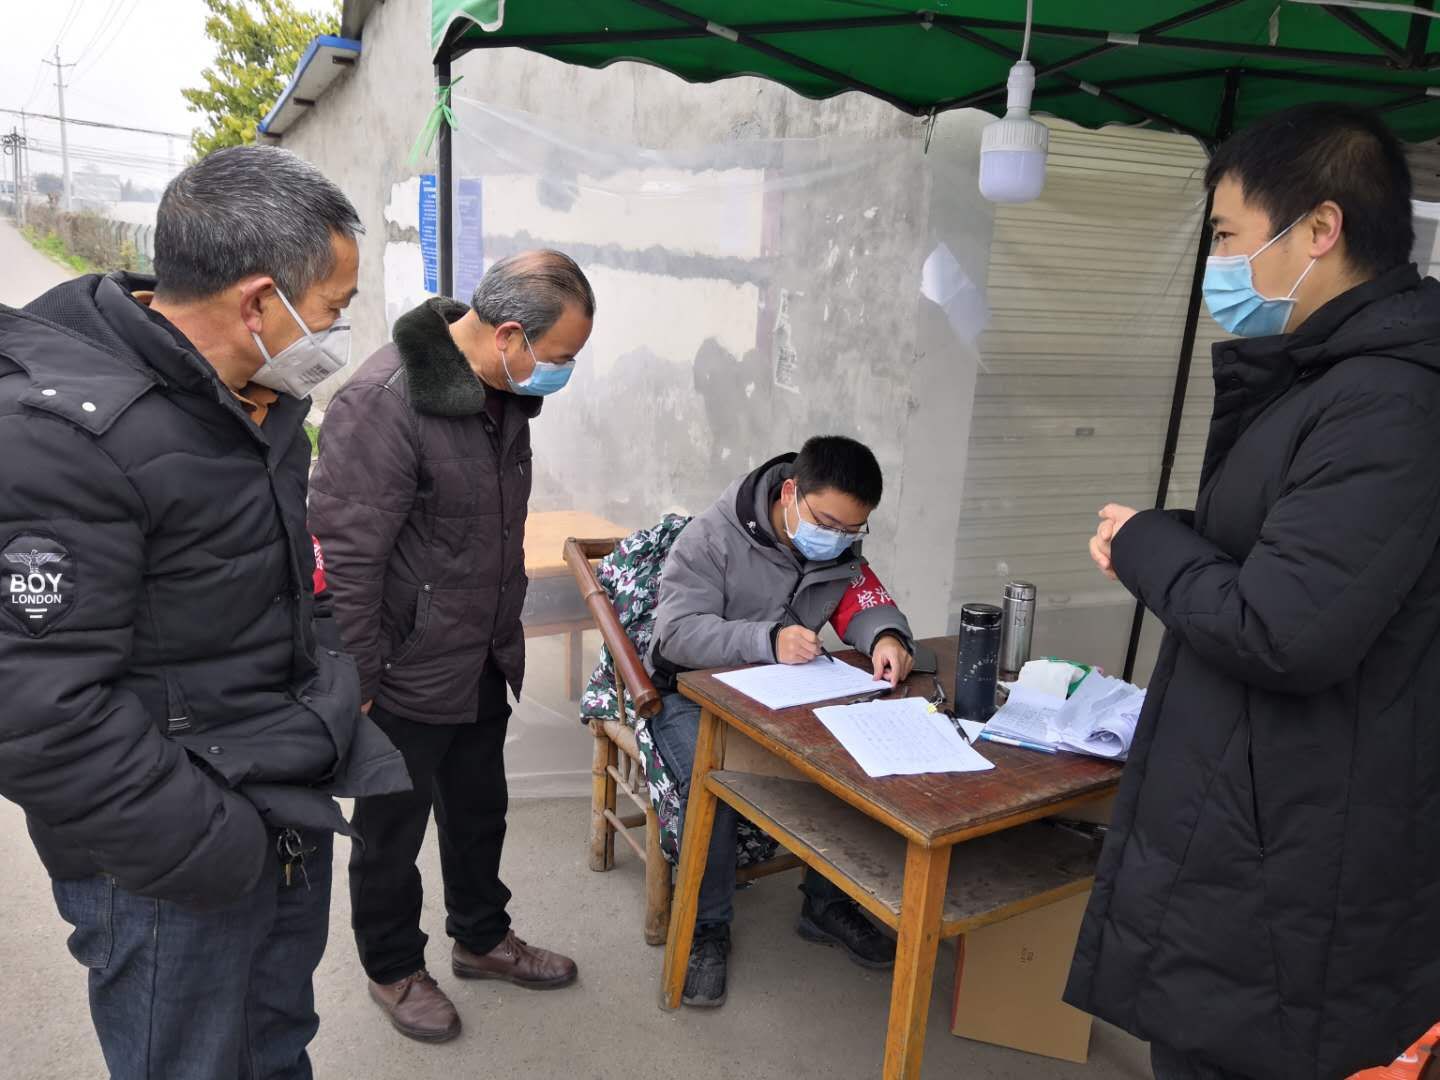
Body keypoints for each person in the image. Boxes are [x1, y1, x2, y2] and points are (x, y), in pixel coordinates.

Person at [0, 145, 409, 1079]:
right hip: (168, 858)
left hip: (279, 804)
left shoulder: (260, 400)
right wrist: (210, 842)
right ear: (259, 302)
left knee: (275, 1045)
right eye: (334, 306)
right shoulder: (64, 437)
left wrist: (334, 678)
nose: (339, 331)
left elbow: (298, 568)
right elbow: (34, 707)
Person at [1070, 103, 1440, 1080]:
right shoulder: (1330, 381)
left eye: (1229, 236)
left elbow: (1285, 630)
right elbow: (1294, 553)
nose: (1218, 264)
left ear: (1319, 229)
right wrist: (1168, 540)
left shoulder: (1387, 401)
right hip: (1261, 823)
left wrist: (1151, 549)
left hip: (1288, 862)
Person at [308, 251, 593, 1043]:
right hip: (401, 667)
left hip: (479, 651)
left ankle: (481, 937)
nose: (563, 372)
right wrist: (360, 680)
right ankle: (394, 967)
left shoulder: (503, 392)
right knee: (390, 835)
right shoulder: (385, 401)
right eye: (560, 355)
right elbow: (347, 558)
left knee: (477, 811)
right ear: (509, 335)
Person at [646, 435, 916, 1007]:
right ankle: (706, 929)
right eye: (828, 523)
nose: (837, 539)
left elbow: (862, 600)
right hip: (691, 694)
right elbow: (676, 634)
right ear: (790, 492)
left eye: (852, 530)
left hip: (784, 695)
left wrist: (886, 636)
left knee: (852, 758)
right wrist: (765, 640)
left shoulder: (837, 548)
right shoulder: (710, 538)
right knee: (715, 783)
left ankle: (826, 903)